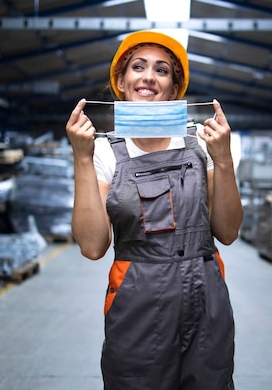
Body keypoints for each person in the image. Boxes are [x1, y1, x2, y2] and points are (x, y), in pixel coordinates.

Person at [65, 29, 243, 390]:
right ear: (121, 80)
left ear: (174, 88)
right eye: (138, 67)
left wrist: (222, 160)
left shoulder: (203, 143)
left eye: (162, 70)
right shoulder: (103, 152)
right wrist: (82, 159)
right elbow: (92, 246)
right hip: (137, 298)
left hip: (205, 294)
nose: (149, 76)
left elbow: (227, 231)